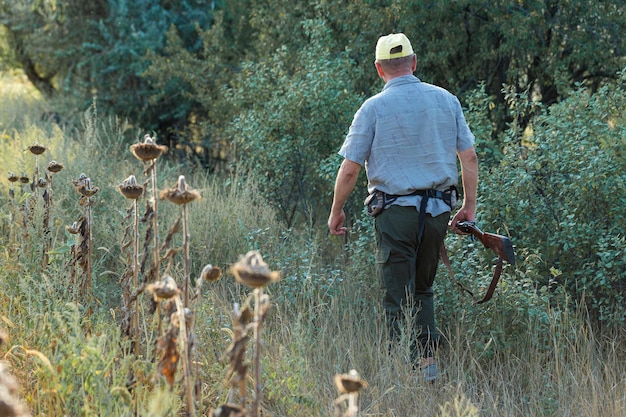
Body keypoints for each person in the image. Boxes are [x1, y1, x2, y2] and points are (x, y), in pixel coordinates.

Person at [328, 33, 478, 381]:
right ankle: (427, 366)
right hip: (439, 212)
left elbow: (350, 168)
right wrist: (468, 207)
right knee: (423, 290)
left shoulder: (373, 108)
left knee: (397, 294)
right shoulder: (446, 100)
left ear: (379, 69)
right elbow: (468, 156)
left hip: (395, 215)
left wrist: (336, 210)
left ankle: (404, 371)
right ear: (414, 62)